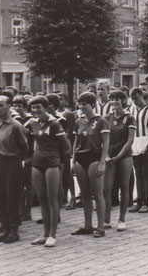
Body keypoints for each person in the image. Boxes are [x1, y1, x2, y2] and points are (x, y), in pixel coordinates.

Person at [25, 96, 70, 247]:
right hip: (37, 163)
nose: (36, 110)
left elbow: (65, 147)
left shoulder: (55, 123)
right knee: (41, 198)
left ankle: (53, 235)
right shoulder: (33, 123)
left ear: (46, 107)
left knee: (52, 198)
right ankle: (44, 233)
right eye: (33, 108)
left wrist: (53, 153)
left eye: (39, 107)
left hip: (52, 163)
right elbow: (31, 142)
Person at [71, 92, 110, 238]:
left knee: (98, 194)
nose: (82, 107)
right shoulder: (78, 121)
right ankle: (88, 225)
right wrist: (73, 161)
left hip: (95, 157)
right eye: (80, 104)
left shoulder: (101, 121)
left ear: (92, 104)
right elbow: (76, 142)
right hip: (81, 158)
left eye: (85, 104)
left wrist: (102, 163)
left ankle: (100, 227)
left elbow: (106, 142)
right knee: (85, 194)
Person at [0, 96, 29, 243]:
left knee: (12, 196)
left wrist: (16, 161)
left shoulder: (16, 126)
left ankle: (14, 230)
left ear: (9, 107)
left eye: (1, 105)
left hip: (12, 163)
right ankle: (5, 227)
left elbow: (25, 148)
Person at [103, 90, 136, 231]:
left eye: (117, 99)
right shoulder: (106, 118)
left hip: (125, 156)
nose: (114, 102)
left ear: (123, 101)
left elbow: (130, 140)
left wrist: (119, 156)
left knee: (124, 186)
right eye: (112, 99)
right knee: (107, 188)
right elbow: (103, 139)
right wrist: (106, 155)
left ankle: (122, 219)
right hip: (110, 156)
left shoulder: (129, 118)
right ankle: (106, 219)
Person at [129, 88, 148, 214]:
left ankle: (147, 202)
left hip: (146, 142)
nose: (135, 101)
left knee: (147, 173)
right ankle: (139, 201)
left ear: (142, 95)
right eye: (133, 99)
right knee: (138, 173)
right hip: (135, 142)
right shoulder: (131, 110)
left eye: (137, 98)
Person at [12, 95, 34, 221]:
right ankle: (21, 211)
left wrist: (30, 156)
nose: (17, 108)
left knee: (29, 185)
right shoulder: (13, 120)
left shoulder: (31, 120)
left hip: (28, 156)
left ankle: (28, 211)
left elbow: (33, 140)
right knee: (19, 185)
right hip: (17, 155)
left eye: (19, 106)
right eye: (15, 106)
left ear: (24, 107)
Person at [57, 93, 77, 209]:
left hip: (64, 145)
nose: (60, 101)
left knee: (67, 172)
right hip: (55, 147)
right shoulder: (53, 113)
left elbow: (69, 131)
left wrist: (59, 138)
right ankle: (62, 197)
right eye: (58, 99)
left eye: (62, 99)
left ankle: (73, 197)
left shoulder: (68, 114)